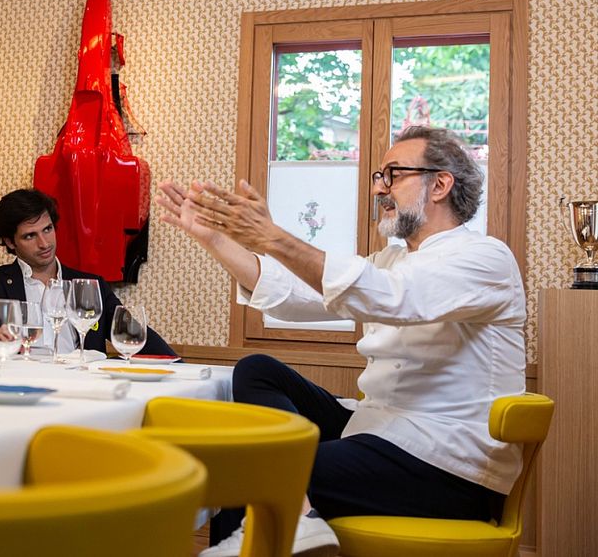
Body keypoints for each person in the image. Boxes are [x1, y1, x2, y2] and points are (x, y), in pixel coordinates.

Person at [155, 126, 525, 557]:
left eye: (394, 175)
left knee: (255, 469)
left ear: (440, 184)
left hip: (446, 465)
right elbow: (300, 296)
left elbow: (393, 296)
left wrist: (273, 236)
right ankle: (298, 519)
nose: (380, 188)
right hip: (379, 431)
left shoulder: (484, 258)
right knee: (258, 369)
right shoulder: (391, 259)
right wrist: (213, 238)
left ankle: (283, 522)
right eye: (378, 176)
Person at [0, 188, 177, 358]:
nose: (44, 243)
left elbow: (132, 335)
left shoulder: (90, 285)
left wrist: (178, 365)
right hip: (18, 383)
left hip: (81, 386)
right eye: (30, 236)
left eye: (47, 229)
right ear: (10, 242)